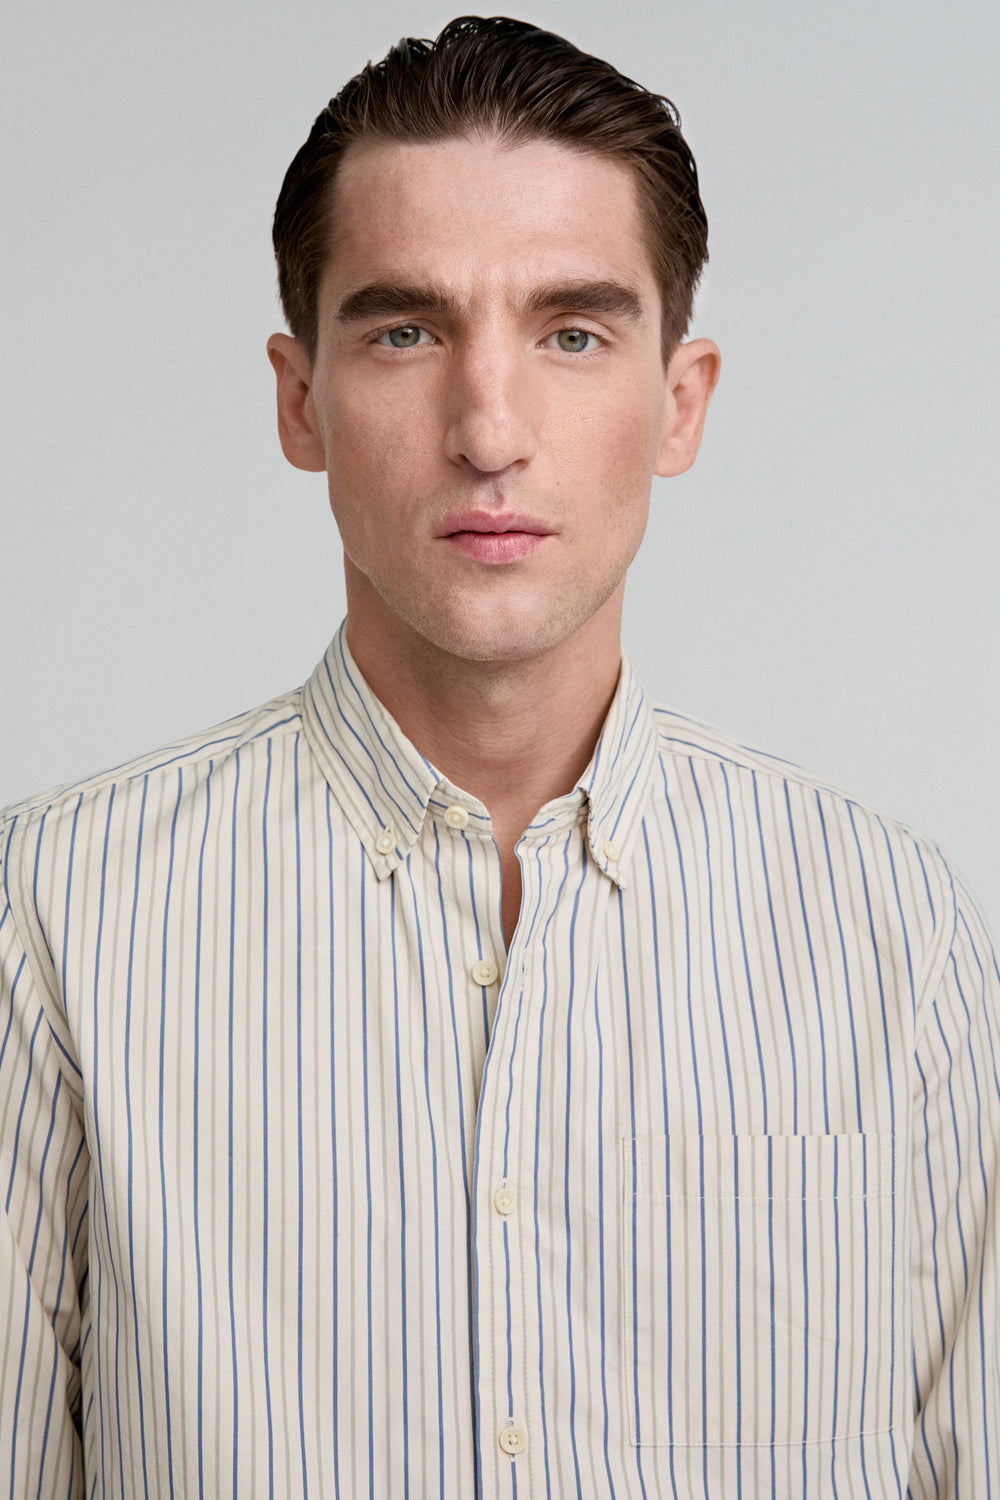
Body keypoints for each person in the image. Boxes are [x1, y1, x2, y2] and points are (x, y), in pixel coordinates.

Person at [1, 14, 997, 1496]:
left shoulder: (892, 935)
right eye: (405, 331)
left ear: (679, 402)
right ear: (299, 400)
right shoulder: (54, 919)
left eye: (572, 333)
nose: (489, 430)